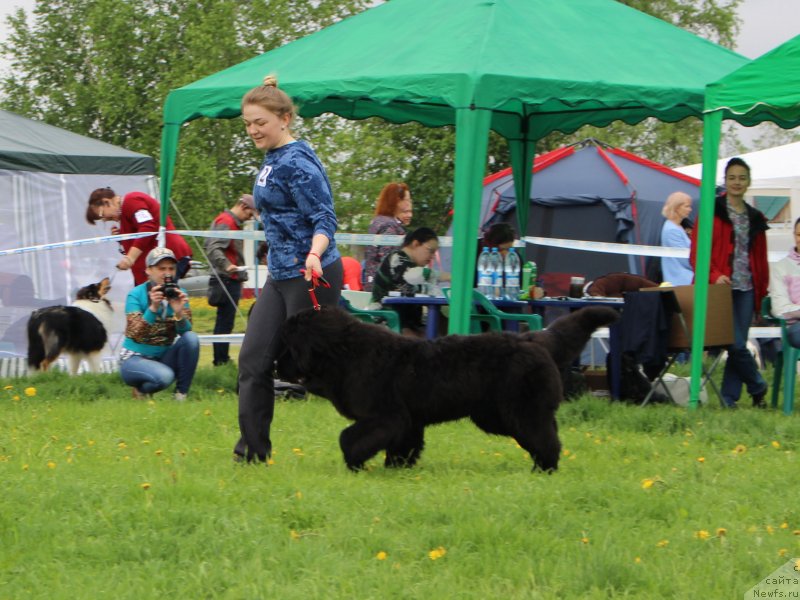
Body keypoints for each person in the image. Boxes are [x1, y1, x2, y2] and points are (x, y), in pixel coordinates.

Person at [234, 74, 343, 464]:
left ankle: (391, 412)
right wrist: (268, 90)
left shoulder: (298, 163)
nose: (252, 130)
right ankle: (251, 454)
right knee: (253, 361)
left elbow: (325, 218)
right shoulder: (274, 155)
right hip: (280, 277)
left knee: (317, 372)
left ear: (285, 119)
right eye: (248, 123)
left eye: (260, 122)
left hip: (310, 274)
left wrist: (314, 253)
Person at [690, 157, 769, 408]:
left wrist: (761, 291)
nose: (737, 182)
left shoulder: (756, 218)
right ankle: (758, 385)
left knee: (738, 345)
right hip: (718, 288)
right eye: (732, 177)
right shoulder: (711, 211)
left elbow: (760, 259)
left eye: (742, 178)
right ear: (725, 180)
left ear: (749, 182)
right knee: (734, 343)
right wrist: (714, 275)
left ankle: (729, 399)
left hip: (746, 288)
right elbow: (697, 253)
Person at [119, 247, 200, 401]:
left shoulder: (179, 293)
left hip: (163, 355)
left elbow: (186, 332)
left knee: (192, 338)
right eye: (161, 269)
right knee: (165, 376)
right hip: (134, 357)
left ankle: (181, 395)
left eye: (171, 268)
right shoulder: (136, 294)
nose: (167, 273)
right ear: (148, 270)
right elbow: (135, 333)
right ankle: (141, 389)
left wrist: (178, 313)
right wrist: (153, 308)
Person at [86, 188, 193, 285]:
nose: (105, 219)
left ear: (106, 202)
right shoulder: (125, 213)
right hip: (155, 264)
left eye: (102, 214)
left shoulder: (131, 201)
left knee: (160, 296)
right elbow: (142, 234)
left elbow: (147, 227)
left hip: (167, 258)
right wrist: (122, 239)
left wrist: (130, 258)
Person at [204, 193, 259, 366]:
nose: (249, 218)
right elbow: (212, 247)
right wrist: (227, 265)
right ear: (243, 206)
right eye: (249, 214)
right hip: (227, 280)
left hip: (229, 279)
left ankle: (222, 359)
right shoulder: (227, 222)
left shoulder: (228, 221)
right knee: (224, 323)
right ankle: (221, 361)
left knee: (225, 322)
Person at [369, 227, 450, 337]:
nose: (432, 257)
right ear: (415, 244)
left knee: (444, 327)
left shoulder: (412, 265)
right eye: (430, 251)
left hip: (407, 322)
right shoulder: (396, 258)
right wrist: (447, 276)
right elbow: (412, 276)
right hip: (387, 320)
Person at [363, 182, 413, 291]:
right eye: (407, 200)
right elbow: (387, 259)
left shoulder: (378, 221)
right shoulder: (389, 226)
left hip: (373, 282)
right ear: (397, 201)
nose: (409, 203)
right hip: (385, 288)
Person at [769, 217, 800, 347]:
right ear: (794, 235)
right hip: (796, 326)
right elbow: (779, 308)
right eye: (799, 235)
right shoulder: (780, 267)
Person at [660, 191, 695, 286]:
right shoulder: (672, 230)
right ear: (676, 207)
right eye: (687, 206)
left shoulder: (677, 226)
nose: (690, 209)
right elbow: (684, 259)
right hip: (681, 281)